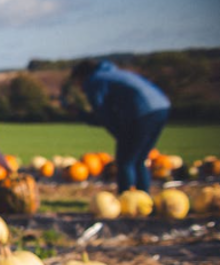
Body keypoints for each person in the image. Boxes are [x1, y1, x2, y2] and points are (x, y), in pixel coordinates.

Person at [69, 59, 170, 193]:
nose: (79, 88)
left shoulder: (94, 81)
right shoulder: (112, 74)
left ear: (81, 77)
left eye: (77, 83)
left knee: (125, 161)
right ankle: (143, 197)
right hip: (161, 107)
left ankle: (126, 198)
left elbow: (104, 115)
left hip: (142, 112)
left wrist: (81, 115)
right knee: (139, 159)